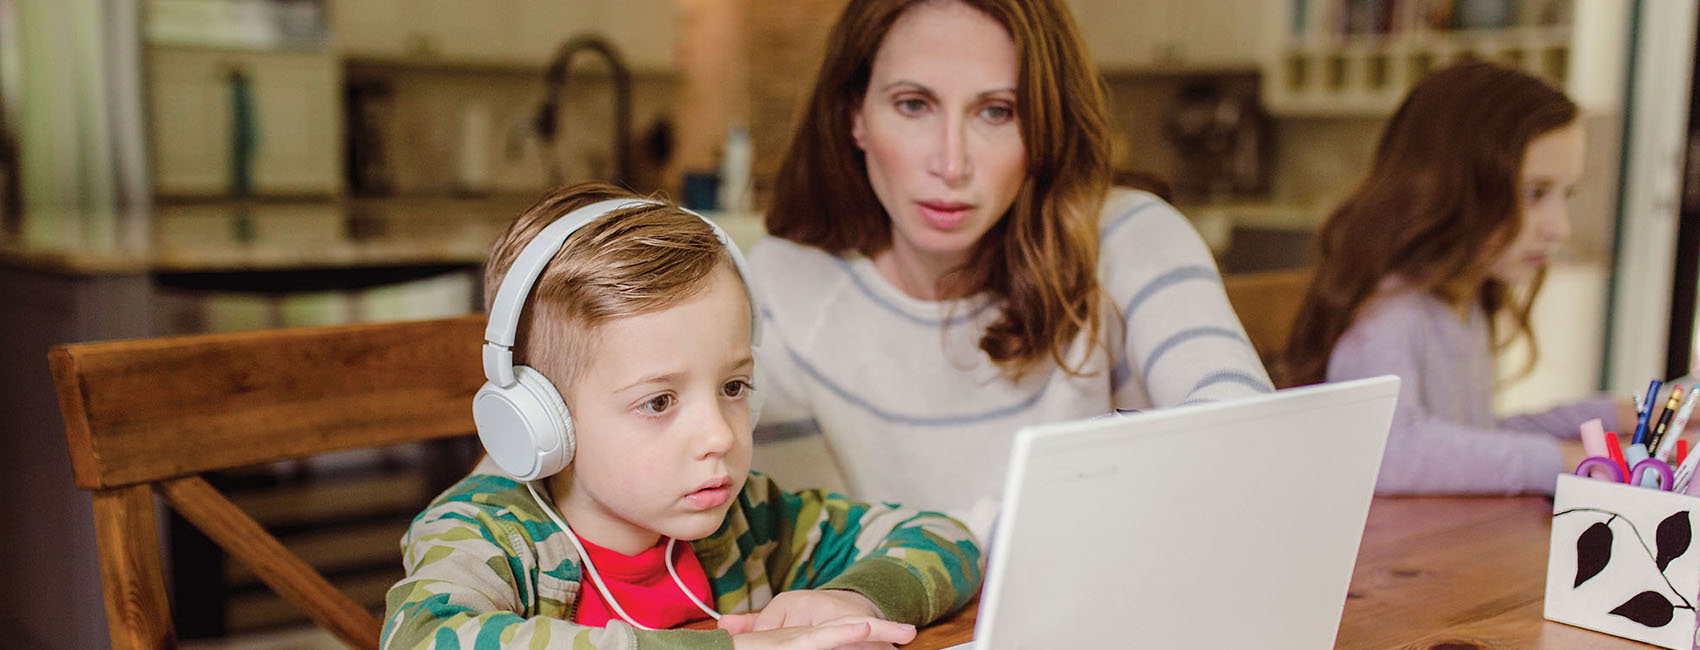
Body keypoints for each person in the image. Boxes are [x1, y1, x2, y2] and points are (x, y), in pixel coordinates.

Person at [381, 183, 983, 649]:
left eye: (733, 386)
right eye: (659, 402)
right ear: (542, 420)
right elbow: (427, 639)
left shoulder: (746, 520)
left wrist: (858, 601)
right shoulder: (484, 534)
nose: (720, 436)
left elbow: (946, 537)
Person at [747, 0, 1273, 528]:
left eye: (997, 111)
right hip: (889, 614)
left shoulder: (1129, 238)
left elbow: (1246, 440)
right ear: (854, 115)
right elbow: (811, 547)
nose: (951, 164)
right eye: (913, 105)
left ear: (1044, 128)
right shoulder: (783, 287)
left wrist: (949, 549)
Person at [1281, 61, 1633, 495]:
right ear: (1452, 184)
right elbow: (1391, 452)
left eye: (1565, 195)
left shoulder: (1464, 301)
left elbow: (1470, 439)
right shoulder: (1389, 315)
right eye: (1535, 193)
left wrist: (1613, 417)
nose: (1559, 228)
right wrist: (1570, 461)